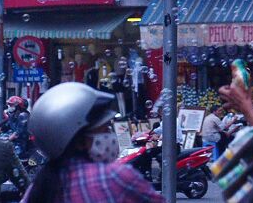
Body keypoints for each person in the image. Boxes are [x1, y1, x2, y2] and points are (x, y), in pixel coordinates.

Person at [22, 82, 163, 203]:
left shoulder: (39, 188)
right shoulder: (114, 177)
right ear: (77, 139)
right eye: (104, 129)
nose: (110, 135)